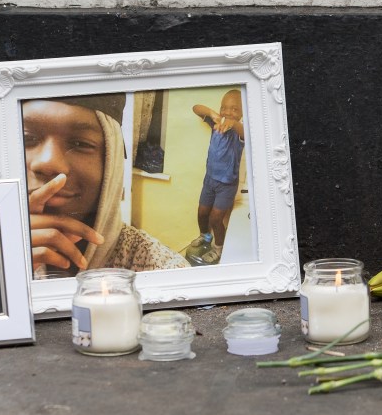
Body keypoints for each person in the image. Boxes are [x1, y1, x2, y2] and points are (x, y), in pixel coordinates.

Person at [23, 94, 188, 277]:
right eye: (27, 139)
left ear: (112, 162)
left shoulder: (163, 270)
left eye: (80, 143)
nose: (48, 162)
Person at [185, 90, 245, 266]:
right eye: (224, 108)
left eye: (234, 109)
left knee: (216, 219)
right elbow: (196, 108)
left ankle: (218, 248)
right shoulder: (215, 123)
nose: (227, 112)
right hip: (209, 180)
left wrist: (233, 123)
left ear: (241, 113)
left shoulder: (239, 132)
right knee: (202, 213)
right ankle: (205, 236)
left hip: (226, 185)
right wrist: (212, 114)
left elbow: (246, 132)